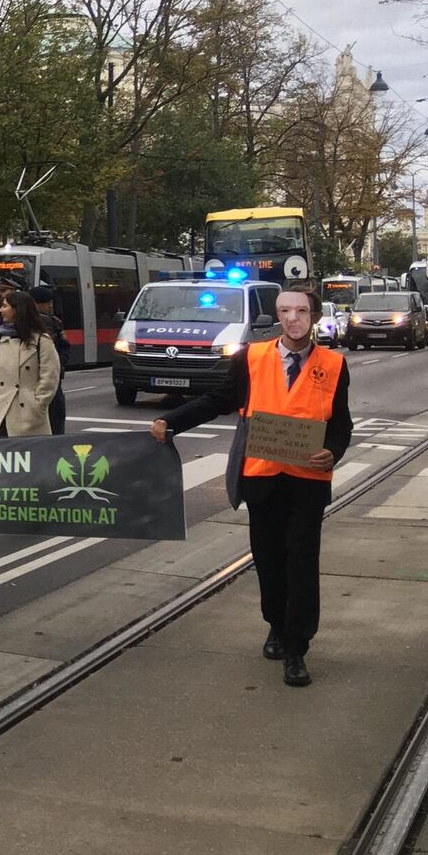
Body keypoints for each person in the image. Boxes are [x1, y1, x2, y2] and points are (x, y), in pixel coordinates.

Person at [152, 284, 352, 687]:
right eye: (285, 311)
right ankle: (275, 625)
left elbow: (341, 424)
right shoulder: (251, 358)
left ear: (313, 316)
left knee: (302, 563)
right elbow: (217, 400)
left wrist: (333, 451)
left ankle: (297, 648)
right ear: (277, 316)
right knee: (269, 561)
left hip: (307, 483)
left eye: (301, 311)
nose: (293, 318)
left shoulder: (333, 365)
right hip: (262, 479)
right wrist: (172, 421)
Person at [0, 290, 62, 437]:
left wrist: (38, 404)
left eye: (4, 306)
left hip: (28, 414)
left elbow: (50, 377)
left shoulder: (42, 340)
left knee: (31, 457)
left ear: (17, 309)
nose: (0, 310)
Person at [30, 285, 71, 434]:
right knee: (55, 424)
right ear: (36, 303)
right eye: (47, 303)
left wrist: (56, 365)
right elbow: (65, 348)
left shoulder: (54, 322)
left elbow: (64, 347)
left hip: (49, 379)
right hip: (49, 382)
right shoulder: (48, 322)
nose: (50, 306)